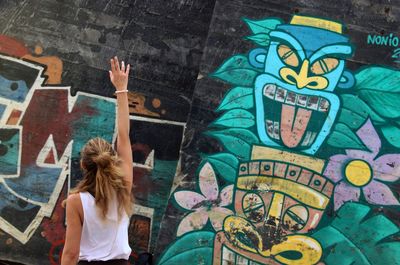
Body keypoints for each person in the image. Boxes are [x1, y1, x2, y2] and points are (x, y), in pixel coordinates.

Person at [61, 57, 133, 265]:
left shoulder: (76, 202)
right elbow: (124, 135)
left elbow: (71, 254)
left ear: (83, 165)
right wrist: (121, 88)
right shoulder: (123, 189)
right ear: (111, 160)